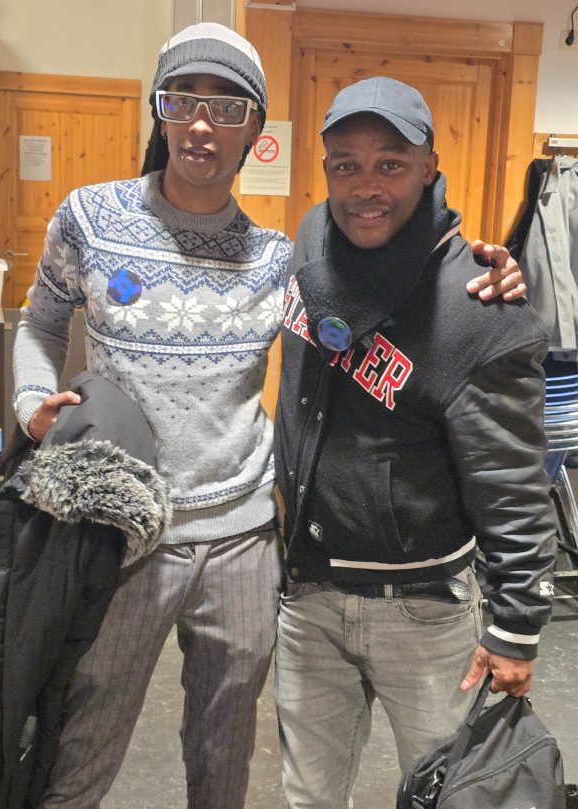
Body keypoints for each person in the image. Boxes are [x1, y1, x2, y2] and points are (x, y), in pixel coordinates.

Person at [11, 24, 525, 809]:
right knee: (82, 739)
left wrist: (482, 268)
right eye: (182, 100)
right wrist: (27, 408)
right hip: (126, 536)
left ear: (254, 129)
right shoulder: (95, 218)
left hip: (247, 540)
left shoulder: (280, 258)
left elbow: (385, 278)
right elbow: (39, 323)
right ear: (159, 110)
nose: (201, 124)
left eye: (226, 106)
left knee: (226, 752)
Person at [273, 76, 558, 809]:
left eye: (390, 164)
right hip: (308, 592)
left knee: (453, 794)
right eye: (346, 164)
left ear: (429, 167)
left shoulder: (479, 308)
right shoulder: (311, 242)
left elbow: (513, 480)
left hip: (422, 610)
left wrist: (516, 624)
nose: (366, 186)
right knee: (308, 796)